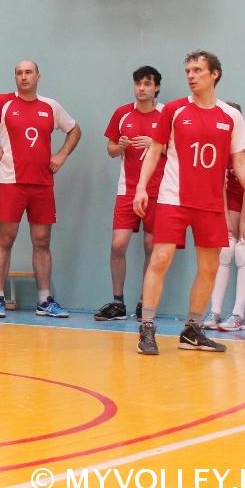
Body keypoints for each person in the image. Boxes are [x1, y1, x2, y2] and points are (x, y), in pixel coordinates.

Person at [133, 51, 245, 356]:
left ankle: (192, 330)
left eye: (197, 70)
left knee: (209, 267)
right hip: (173, 198)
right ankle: (147, 327)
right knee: (160, 259)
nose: (191, 76)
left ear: (214, 74)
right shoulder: (175, 109)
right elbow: (154, 151)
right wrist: (141, 187)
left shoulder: (231, 116)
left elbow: (240, 163)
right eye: (188, 71)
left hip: (210, 203)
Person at [0, 59, 81, 318]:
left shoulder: (51, 106)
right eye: (19, 73)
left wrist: (61, 155)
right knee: (6, 238)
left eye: (28, 72)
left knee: (42, 240)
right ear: (15, 77)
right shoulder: (2, 103)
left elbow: (74, 130)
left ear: (38, 76)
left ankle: (44, 300)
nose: (24, 76)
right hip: (11, 182)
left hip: (42, 183)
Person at [94, 66, 165, 322]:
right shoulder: (122, 113)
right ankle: (118, 302)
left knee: (151, 246)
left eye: (147, 84)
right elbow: (111, 149)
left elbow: (177, 148)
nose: (141, 88)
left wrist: (156, 145)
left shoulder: (166, 114)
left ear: (156, 87)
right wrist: (120, 146)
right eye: (138, 84)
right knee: (118, 245)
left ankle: (145, 301)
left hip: (158, 191)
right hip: (128, 190)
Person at [202, 103, 245, 331]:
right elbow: (219, 182)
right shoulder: (216, 138)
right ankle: (214, 312)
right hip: (231, 193)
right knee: (225, 249)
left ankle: (238, 316)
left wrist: (243, 219)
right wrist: (224, 216)